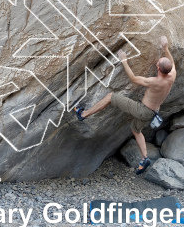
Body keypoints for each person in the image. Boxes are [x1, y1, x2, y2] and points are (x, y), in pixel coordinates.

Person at [73, 36, 176, 174]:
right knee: (136, 130)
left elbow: (133, 78)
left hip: (142, 110)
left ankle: (83, 114)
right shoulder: (172, 75)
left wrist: (124, 61)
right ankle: (144, 158)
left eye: (158, 62)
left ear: (158, 68)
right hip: (153, 112)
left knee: (111, 97)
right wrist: (165, 48)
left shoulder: (154, 82)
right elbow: (171, 63)